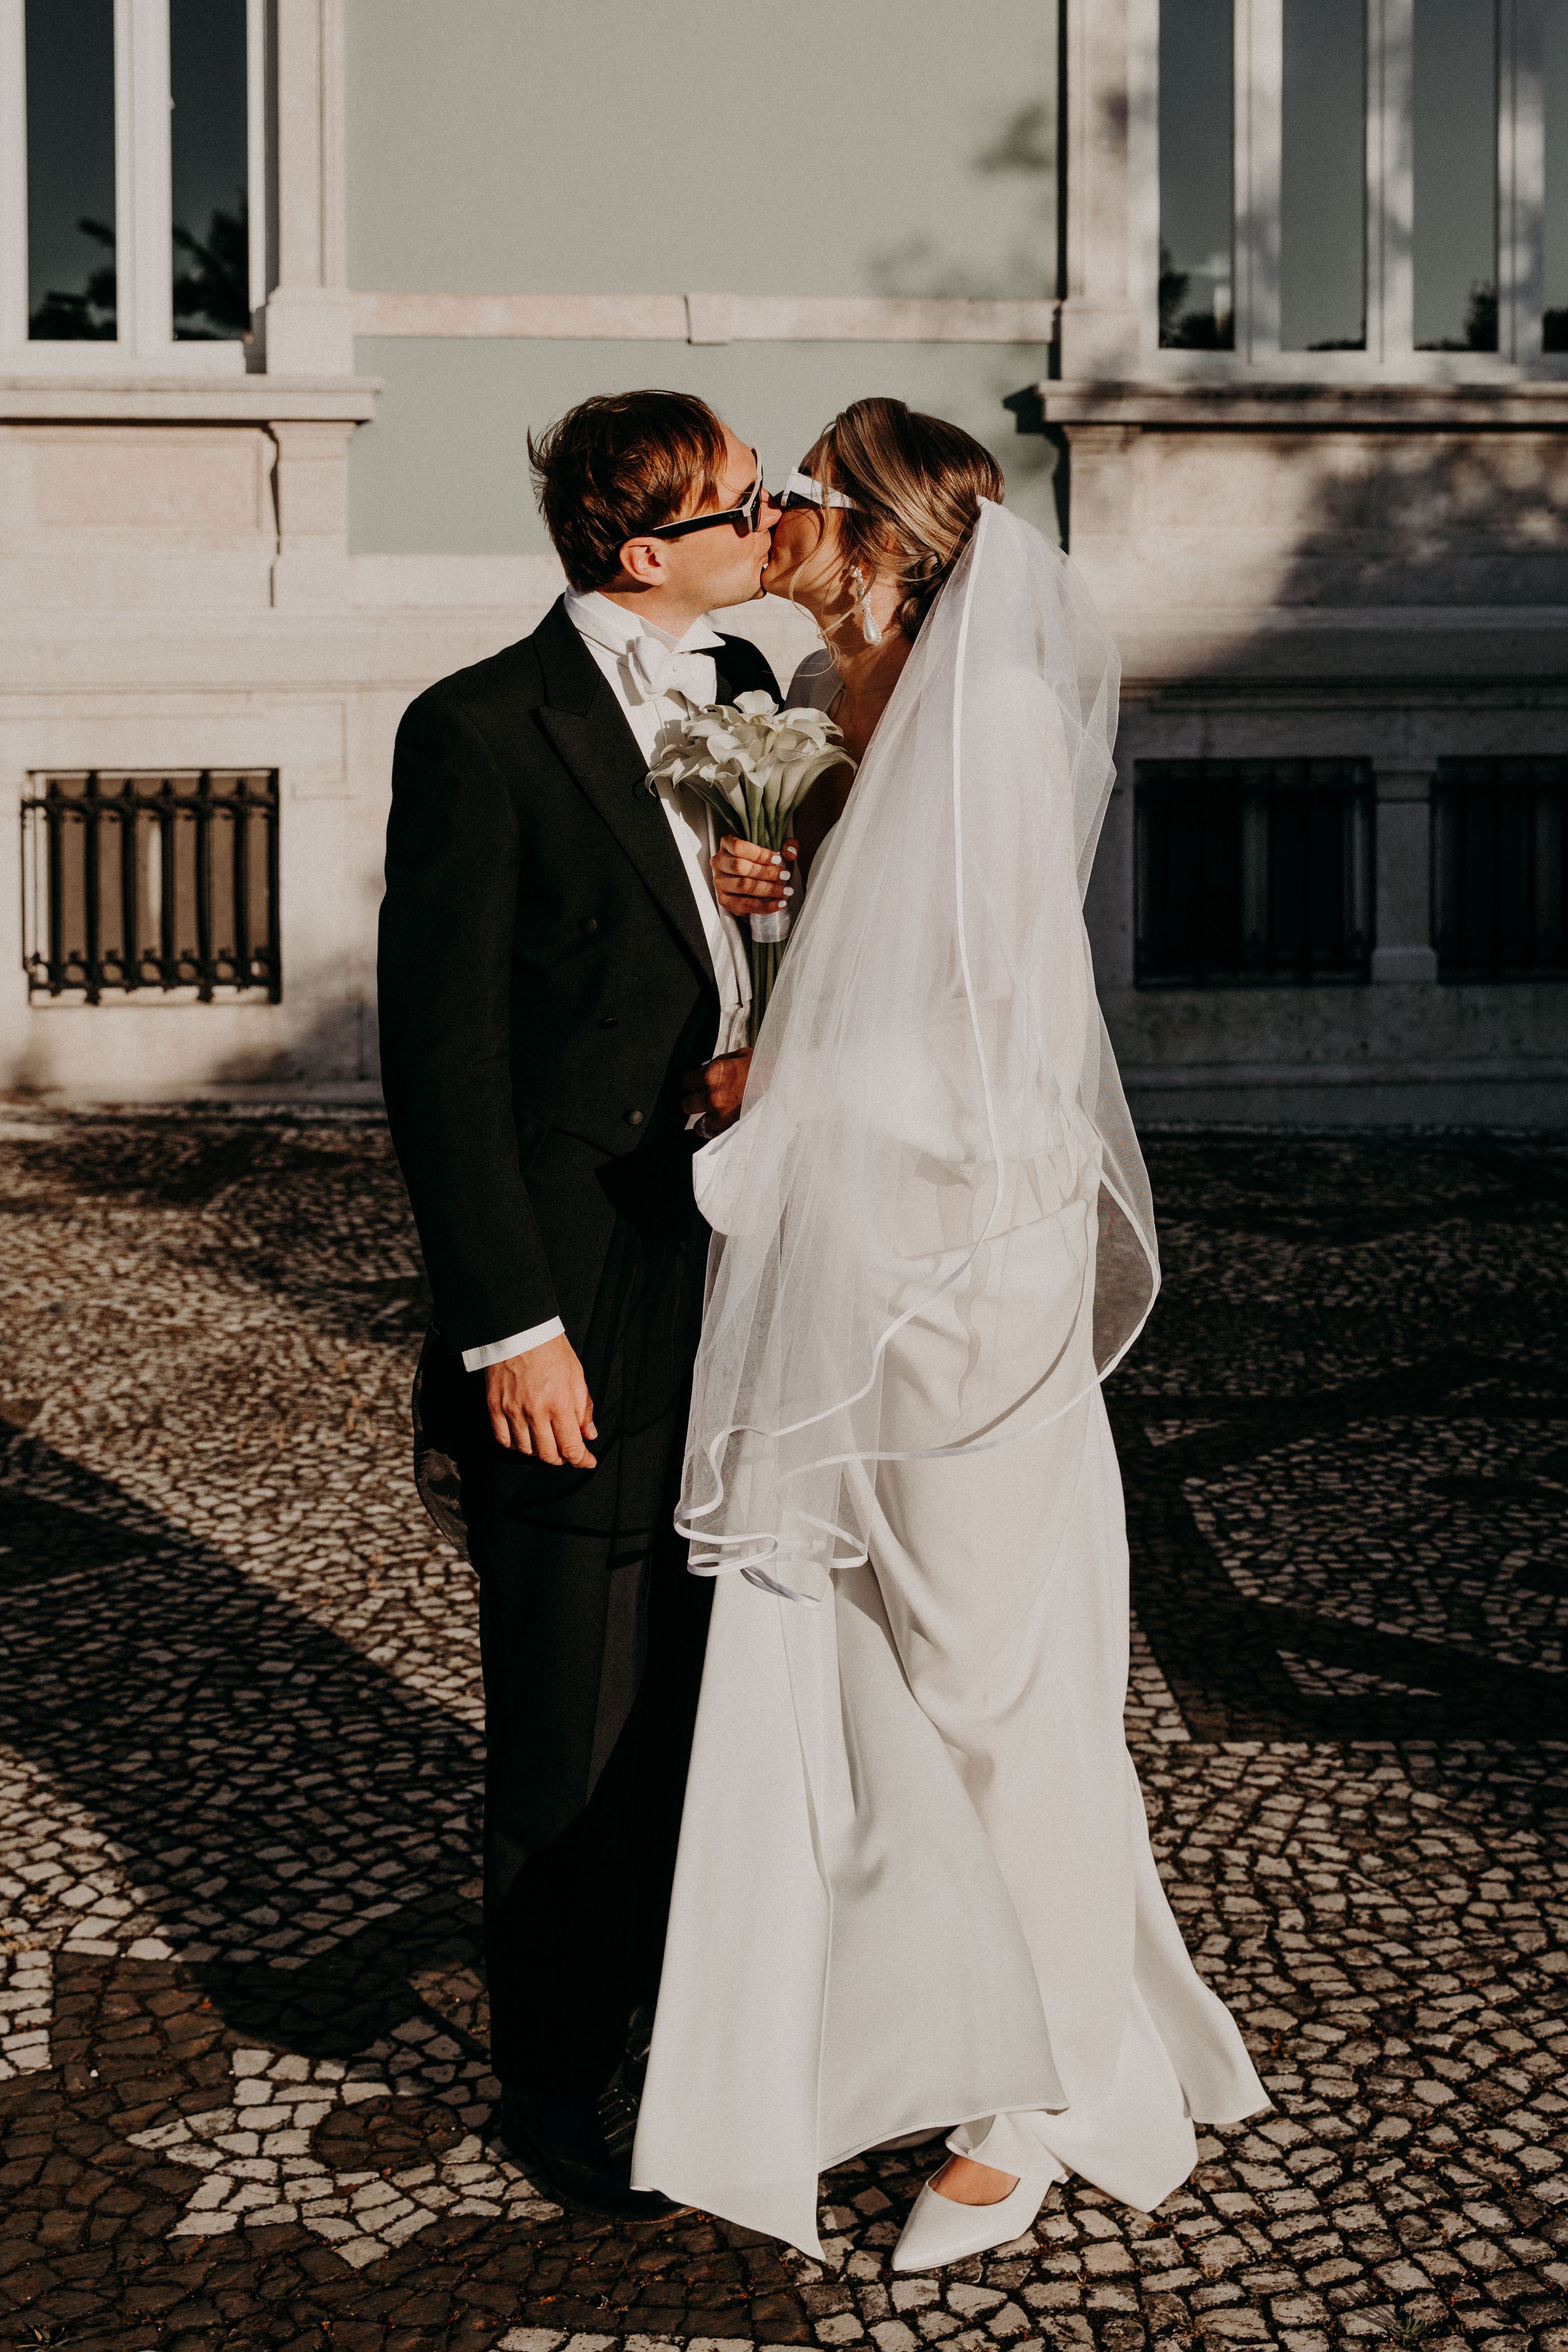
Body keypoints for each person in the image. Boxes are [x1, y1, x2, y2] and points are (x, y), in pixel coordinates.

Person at [633, 400, 1267, 2268]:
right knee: (875, 1655)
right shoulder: (841, 706)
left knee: (991, 1669)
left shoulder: (982, 717)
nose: (788, 524)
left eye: (813, 501)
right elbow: (860, 955)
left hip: (958, 1256)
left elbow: (997, 1033)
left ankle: (1048, 2087)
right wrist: (768, 916)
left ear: (894, 539)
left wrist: (782, 1073)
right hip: (860, 1237)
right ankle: (910, 2012)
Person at [376, 389, 781, 2218]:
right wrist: (505, 1327)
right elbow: (439, 1059)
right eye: (741, 504)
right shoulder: (475, 727)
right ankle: (554, 2076)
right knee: (568, 1708)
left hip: (735, 1274)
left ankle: (694, 2032)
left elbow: (705, 948)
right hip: (574, 1295)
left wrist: (752, 907)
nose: (771, 522)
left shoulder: (750, 693)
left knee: (709, 1691)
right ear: (642, 551)